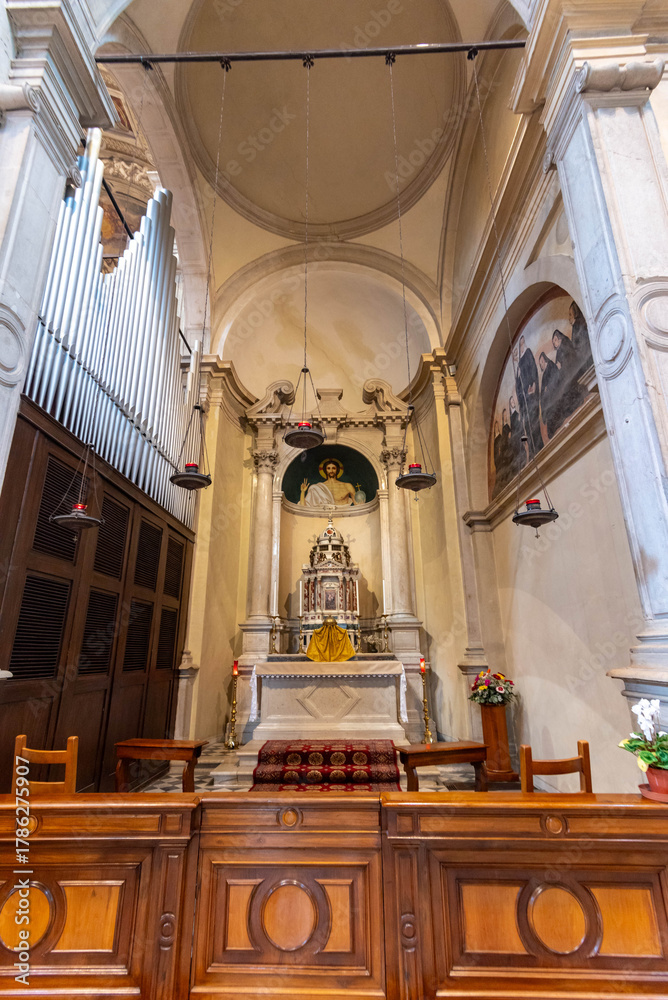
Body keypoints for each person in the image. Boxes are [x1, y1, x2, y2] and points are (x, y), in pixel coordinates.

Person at [515, 335, 543, 458]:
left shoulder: (528, 354)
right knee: (527, 425)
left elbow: (533, 370)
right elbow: (518, 387)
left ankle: (538, 447)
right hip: (524, 400)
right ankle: (532, 451)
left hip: (531, 394)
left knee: (533, 421)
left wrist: (533, 384)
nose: (517, 353)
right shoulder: (518, 366)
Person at [552, 328, 585, 420]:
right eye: (553, 341)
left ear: (559, 338)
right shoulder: (560, 350)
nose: (554, 343)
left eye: (555, 340)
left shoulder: (565, 345)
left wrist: (560, 367)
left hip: (572, 376)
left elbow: (570, 361)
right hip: (567, 378)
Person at [538, 351, 561, 438]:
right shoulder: (544, 375)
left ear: (544, 360)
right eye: (540, 364)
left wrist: (548, 389)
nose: (541, 365)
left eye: (541, 363)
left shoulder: (551, 365)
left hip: (554, 396)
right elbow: (543, 391)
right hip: (548, 401)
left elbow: (556, 379)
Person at [569, 300, 593, 377]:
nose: (569, 318)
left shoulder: (576, 325)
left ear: (575, 313)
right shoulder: (582, 322)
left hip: (585, 357)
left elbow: (578, 344)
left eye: (570, 314)